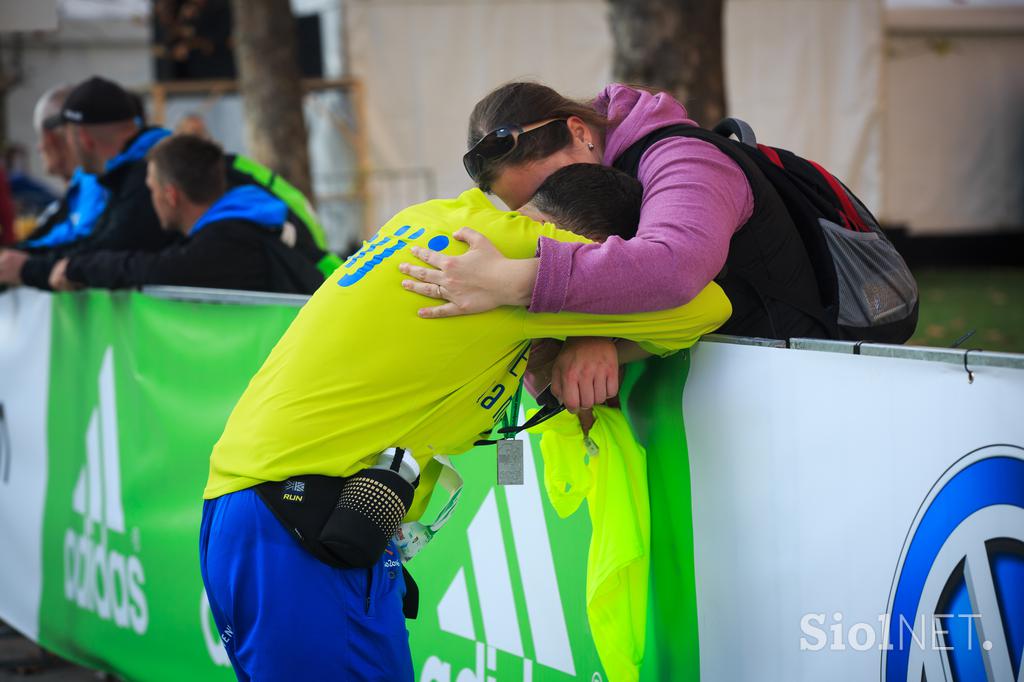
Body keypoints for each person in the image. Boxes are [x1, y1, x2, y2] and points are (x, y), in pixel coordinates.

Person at [199, 164, 731, 681]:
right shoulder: (522, 258)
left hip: (253, 509)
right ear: (602, 249)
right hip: (304, 528)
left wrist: (585, 333)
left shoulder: (436, 216)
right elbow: (702, 303)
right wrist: (598, 321)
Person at [399, 82, 829, 412]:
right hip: (704, 398)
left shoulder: (686, 158)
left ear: (580, 131)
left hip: (796, 389)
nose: (552, 214)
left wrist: (517, 283)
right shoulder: (608, 169)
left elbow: (673, 267)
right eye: (530, 209)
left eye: (553, 184)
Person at [48, 135, 323, 295]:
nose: (150, 201)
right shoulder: (244, 221)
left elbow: (156, 268)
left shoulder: (228, 241)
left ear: (171, 196)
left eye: (151, 190)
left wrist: (78, 267)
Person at [0, 76, 176, 288]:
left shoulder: (147, 171)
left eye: (65, 136)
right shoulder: (125, 170)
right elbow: (93, 242)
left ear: (82, 138)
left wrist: (29, 269)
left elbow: (110, 247)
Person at [15, 84, 109, 251]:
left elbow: (77, 251)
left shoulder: (94, 187)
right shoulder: (82, 190)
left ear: (50, 137)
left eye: (40, 135)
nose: (39, 147)